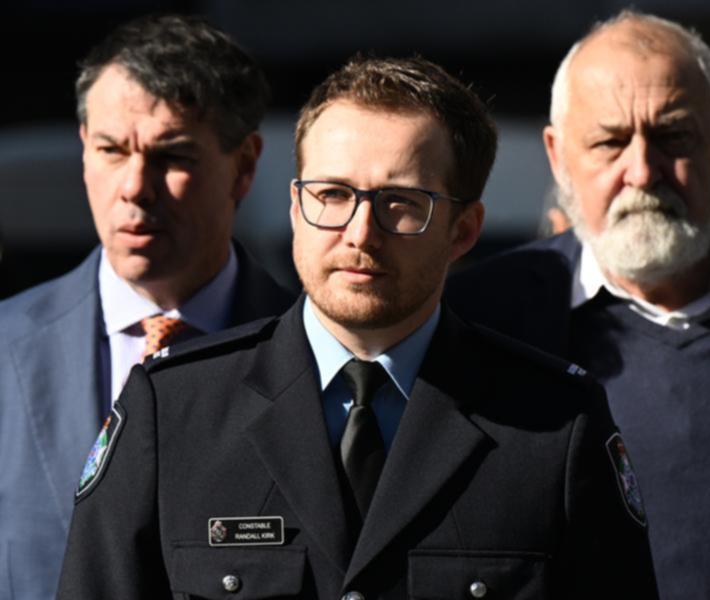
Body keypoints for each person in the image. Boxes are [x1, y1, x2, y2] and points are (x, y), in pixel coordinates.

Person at [57, 55, 658, 599]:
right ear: (295, 207)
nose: (360, 232)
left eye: (401, 202)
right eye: (332, 193)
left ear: (464, 231)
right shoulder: (172, 414)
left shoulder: (553, 427)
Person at [448, 10, 710, 600]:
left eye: (673, 137)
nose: (642, 171)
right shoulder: (479, 319)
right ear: (558, 157)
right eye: (610, 142)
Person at [0, 14, 294, 600]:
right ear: (84, 148)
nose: (135, 186)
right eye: (111, 149)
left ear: (244, 166)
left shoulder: (312, 358)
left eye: (172, 156)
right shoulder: (6, 350)